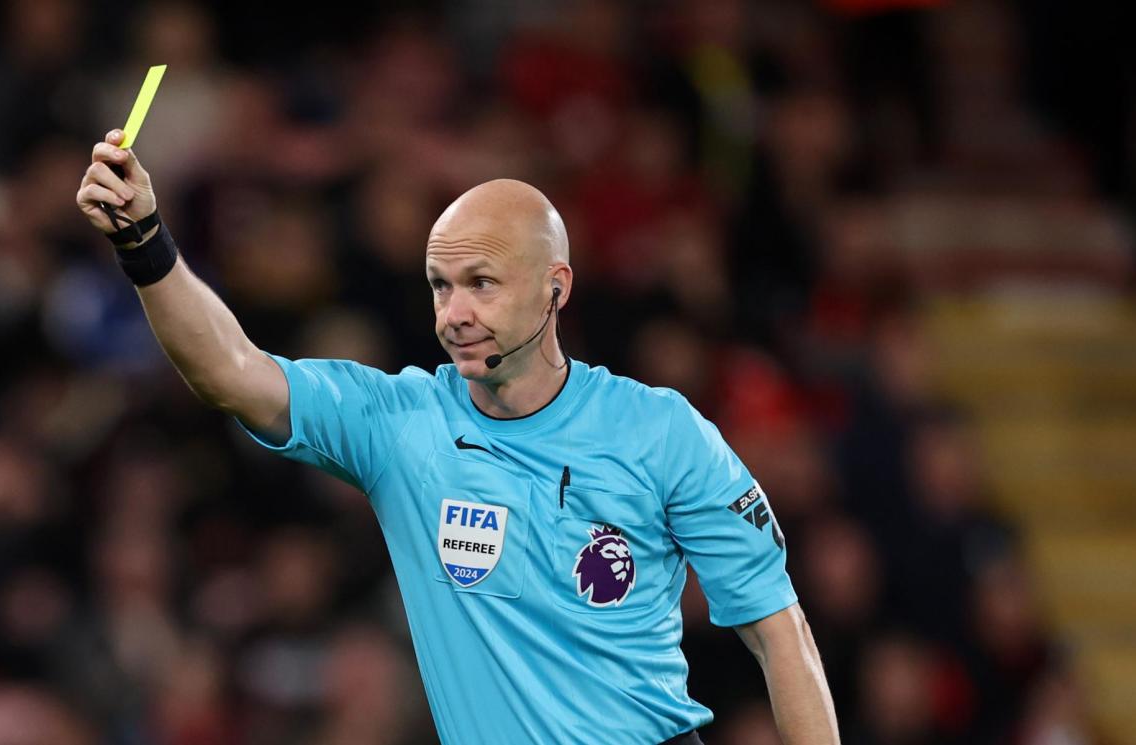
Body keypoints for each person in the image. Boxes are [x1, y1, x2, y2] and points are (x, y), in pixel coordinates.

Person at [76, 128, 840, 745]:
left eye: (482, 282)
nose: (454, 313)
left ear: (556, 286)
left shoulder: (661, 430)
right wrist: (146, 242)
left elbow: (779, 632)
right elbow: (229, 369)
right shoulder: (401, 426)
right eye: (441, 286)